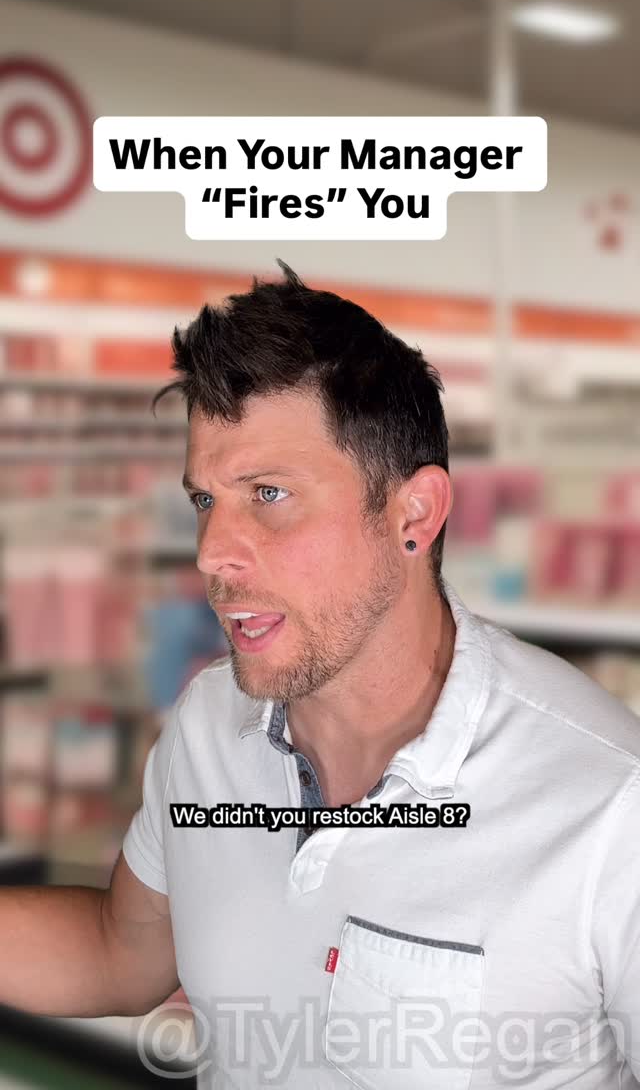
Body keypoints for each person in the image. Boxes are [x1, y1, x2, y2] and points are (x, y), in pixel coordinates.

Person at [1, 262, 639, 1088]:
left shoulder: (609, 802)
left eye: (268, 494)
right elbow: (119, 952)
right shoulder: (209, 723)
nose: (211, 553)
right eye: (205, 501)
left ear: (413, 515)